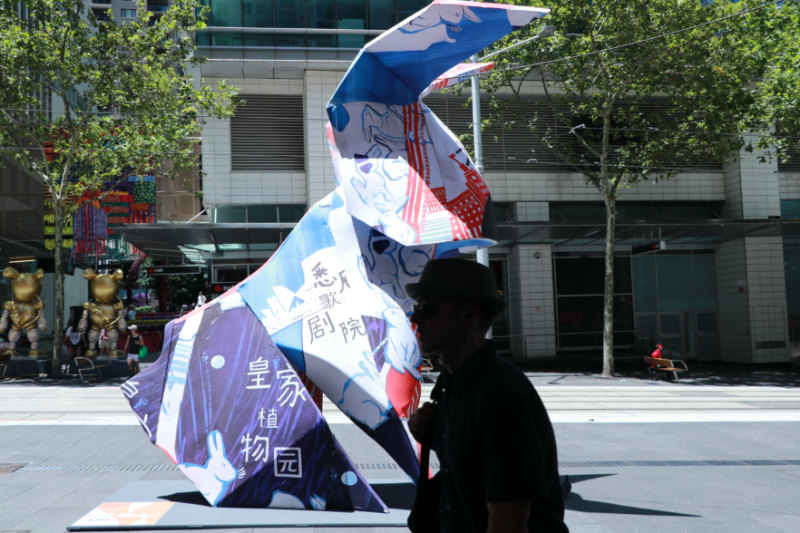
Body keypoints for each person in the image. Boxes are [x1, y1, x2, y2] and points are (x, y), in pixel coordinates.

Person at [407, 258, 568, 533]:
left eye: (427, 308)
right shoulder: (452, 385)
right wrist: (432, 435)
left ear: (469, 315)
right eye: (415, 307)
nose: (415, 318)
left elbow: (508, 525)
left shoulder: (500, 395)